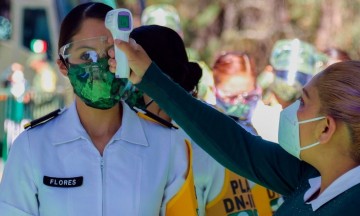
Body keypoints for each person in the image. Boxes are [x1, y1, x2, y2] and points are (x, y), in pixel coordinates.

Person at [113, 37, 360, 215]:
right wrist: (150, 77)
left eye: (303, 102)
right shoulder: (310, 176)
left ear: (325, 128)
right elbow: (233, 143)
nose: (290, 110)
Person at [0, 3, 197, 215]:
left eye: (112, 53)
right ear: (63, 65)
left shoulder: (166, 144)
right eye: (86, 56)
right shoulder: (32, 146)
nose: (100, 65)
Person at [125, 24, 280, 216]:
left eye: (130, 73)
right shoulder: (140, 135)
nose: (123, 90)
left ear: (157, 79)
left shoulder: (201, 144)